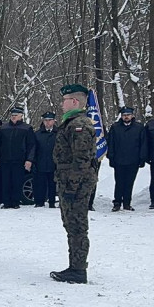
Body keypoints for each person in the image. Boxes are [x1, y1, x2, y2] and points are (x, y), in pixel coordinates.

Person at [50, 84, 98, 284]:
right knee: (71, 225)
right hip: (69, 182)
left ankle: (78, 269)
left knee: (77, 226)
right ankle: (74, 266)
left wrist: (72, 185)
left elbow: (82, 159)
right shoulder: (71, 123)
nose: (62, 104)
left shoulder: (80, 125)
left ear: (75, 102)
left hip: (76, 185)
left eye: (64, 100)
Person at [0, 107, 35, 209]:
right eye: (12, 115)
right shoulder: (4, 128)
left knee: (17, 181)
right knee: (5, 181)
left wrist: (29, 159)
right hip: (5, 159)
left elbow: (31, 145)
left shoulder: (27, 128)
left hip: (19, 159)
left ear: (21, 116)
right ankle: (6, 202)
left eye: (16, 115)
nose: (13, 117)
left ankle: (16, 202)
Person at [106, 107, 146, 212]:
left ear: (132, 115)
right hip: (119, 160)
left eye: (128, 115)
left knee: (129, 182)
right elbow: (111, 143)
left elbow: (143, 144)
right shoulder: (115, 127)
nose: (126, 117)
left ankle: (127, 203)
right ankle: (117, 203)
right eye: (124, 115)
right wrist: (111, 157)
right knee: (119, 182)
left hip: (133, 160)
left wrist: (142, 158)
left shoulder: (139, 127)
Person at [31, 112, 58, 208]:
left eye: (50, 120)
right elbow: (33, 149)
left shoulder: (58, 134)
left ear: (54, 121)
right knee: (40, 184)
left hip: (53, 163)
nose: (48, 122)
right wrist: (32, 161)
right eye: (46, 120)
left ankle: (52, 202)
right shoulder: (37, 134)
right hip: (40, 162)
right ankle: (39, 202)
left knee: (52, 184)